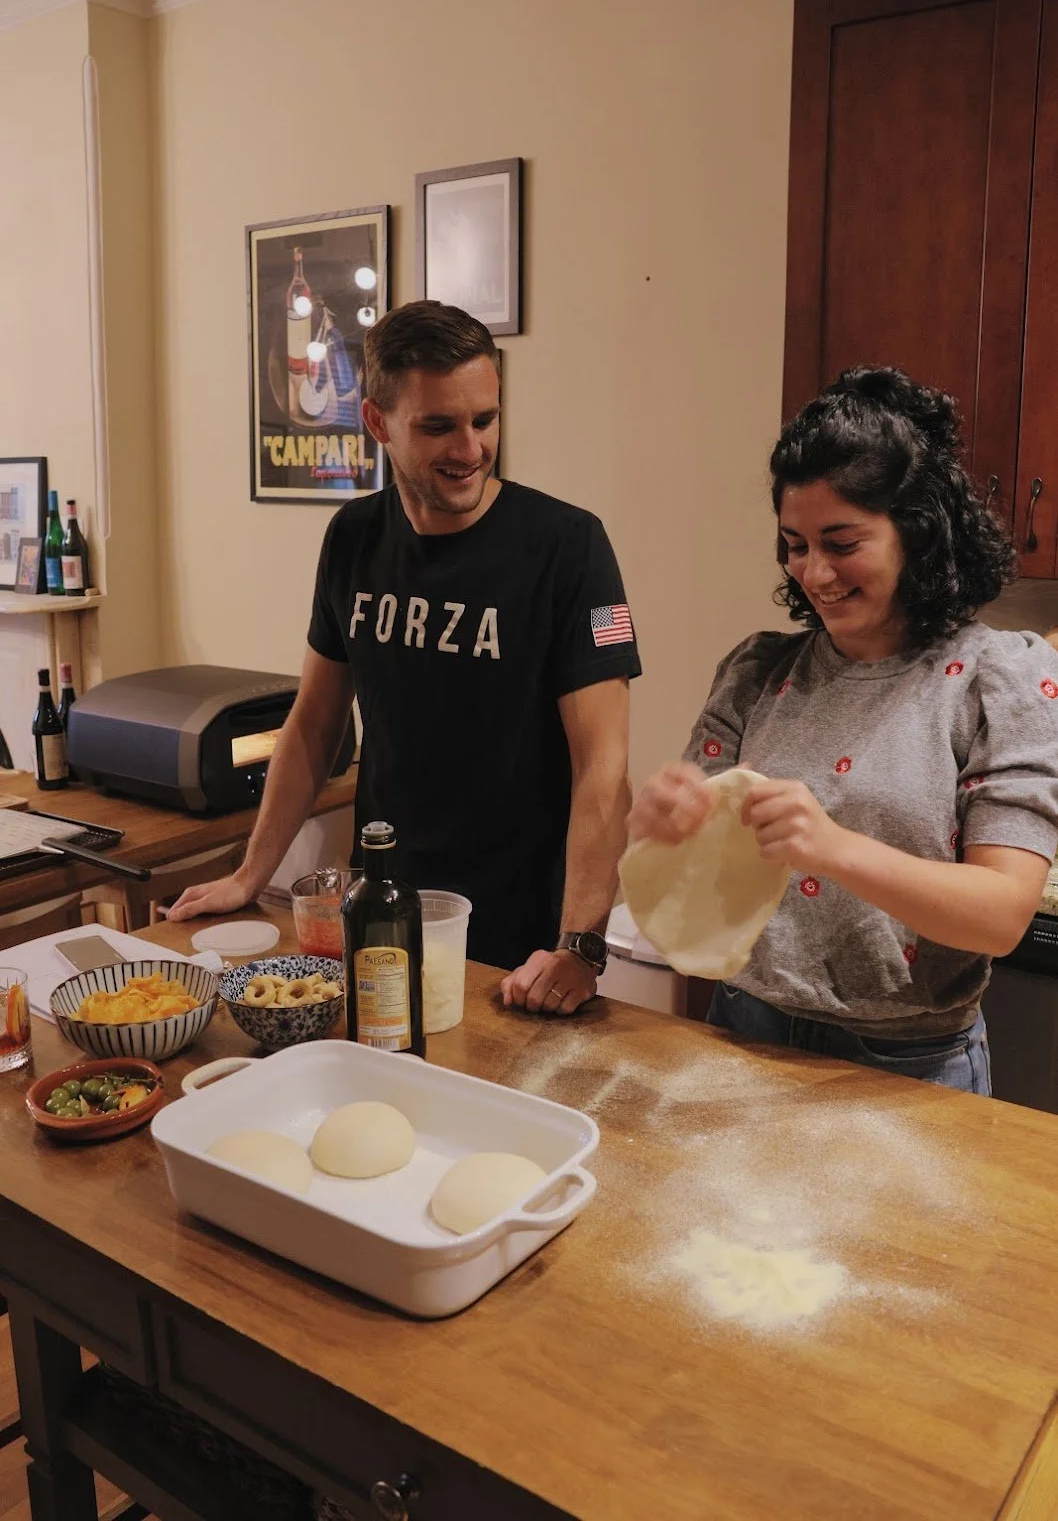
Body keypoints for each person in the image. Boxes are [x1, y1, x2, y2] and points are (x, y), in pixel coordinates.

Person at [170, 300, 641, 1016]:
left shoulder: (568, 548)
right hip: (382, 909)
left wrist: (581, 944)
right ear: (377, 423)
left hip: (517, 937)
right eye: (439, 426)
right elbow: (313, 724)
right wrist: (248, 873)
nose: (471, 448)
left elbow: (602, 770)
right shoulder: (353, 537)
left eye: (485, 420)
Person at [629, 366, 1058, 1093]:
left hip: (911, 1061)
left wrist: (830, 845)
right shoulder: (759, 670)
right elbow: (689, 858)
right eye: (795, 544)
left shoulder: (997, 680)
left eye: (841, 541)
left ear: (916, 534)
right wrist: (661, 819)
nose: (814, 573)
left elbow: (1001, 914)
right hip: (745, 1027)